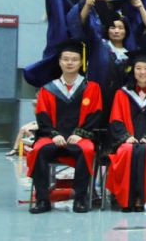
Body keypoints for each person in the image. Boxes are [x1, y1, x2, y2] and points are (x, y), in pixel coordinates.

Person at [28, 41, 103, 214]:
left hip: (80, 137)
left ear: (81, 63)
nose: (70, 63)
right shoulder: (48, 89)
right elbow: (42, 116)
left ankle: (80, 198)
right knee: (38, 150)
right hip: (52, 137)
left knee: (87, 150)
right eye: (66, 59)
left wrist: (80, 133)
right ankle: (42, 199)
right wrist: (53, 134)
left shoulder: (92, 87)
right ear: (60, 62)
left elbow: (96, 114)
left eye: (74, 59)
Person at [105, 52, 146, 212]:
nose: (142, 72)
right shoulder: (122, 93)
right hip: (127, 140)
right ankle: (125, 199)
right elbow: (116, 119)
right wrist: (126, 137)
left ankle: (141, 197)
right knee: (126, 151)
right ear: (132, 70)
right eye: (138, 68)